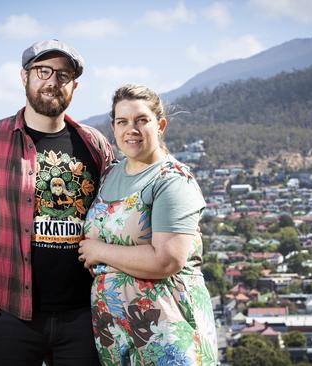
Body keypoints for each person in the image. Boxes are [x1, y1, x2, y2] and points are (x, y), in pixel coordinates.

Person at [0, 39, 114, 366]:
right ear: (25, 77)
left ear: (74, 86)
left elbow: (116, 217)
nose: (53, 81)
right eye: (43, 71)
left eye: (63, 75)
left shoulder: (96, 144)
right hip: (8, 315)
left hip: (83, 316)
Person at [78, 84, 218, 365]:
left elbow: (166, 260)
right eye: (123, 122)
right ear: (114, 128)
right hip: (116, 335)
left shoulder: (172, 180)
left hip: (167, 329)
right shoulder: (110, 175)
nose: (132, 129)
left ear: (160, 125)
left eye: (142, 120)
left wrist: (99, 252)